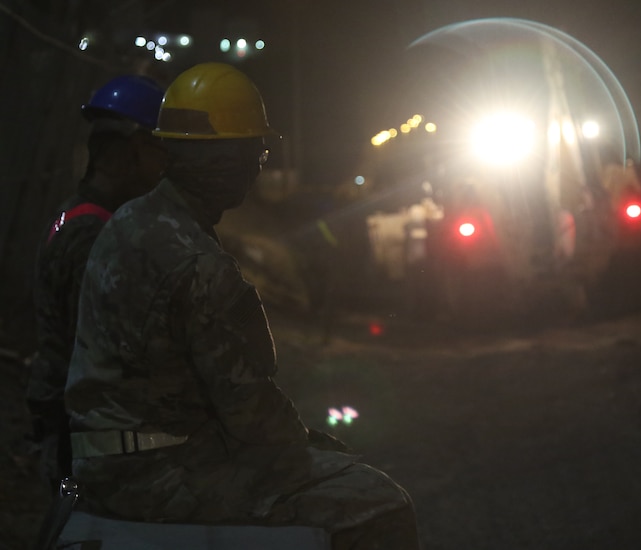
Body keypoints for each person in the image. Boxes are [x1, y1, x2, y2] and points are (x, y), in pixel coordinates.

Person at [65, 62, 420, 549]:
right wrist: (310, 447)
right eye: (256, 149)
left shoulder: (129, 221)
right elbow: (251, 414)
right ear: (221, 158)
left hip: (101, 459)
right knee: (379, 502)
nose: (260, 163)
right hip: (154, 476)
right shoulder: (198, 265)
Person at [26, 74, 167, 490]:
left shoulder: (79, 215)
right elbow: (105, 351)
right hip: (85, 436)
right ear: (130, 152)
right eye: (158, 150)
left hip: (77, 425)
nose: (164, 166)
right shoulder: (93, 235)